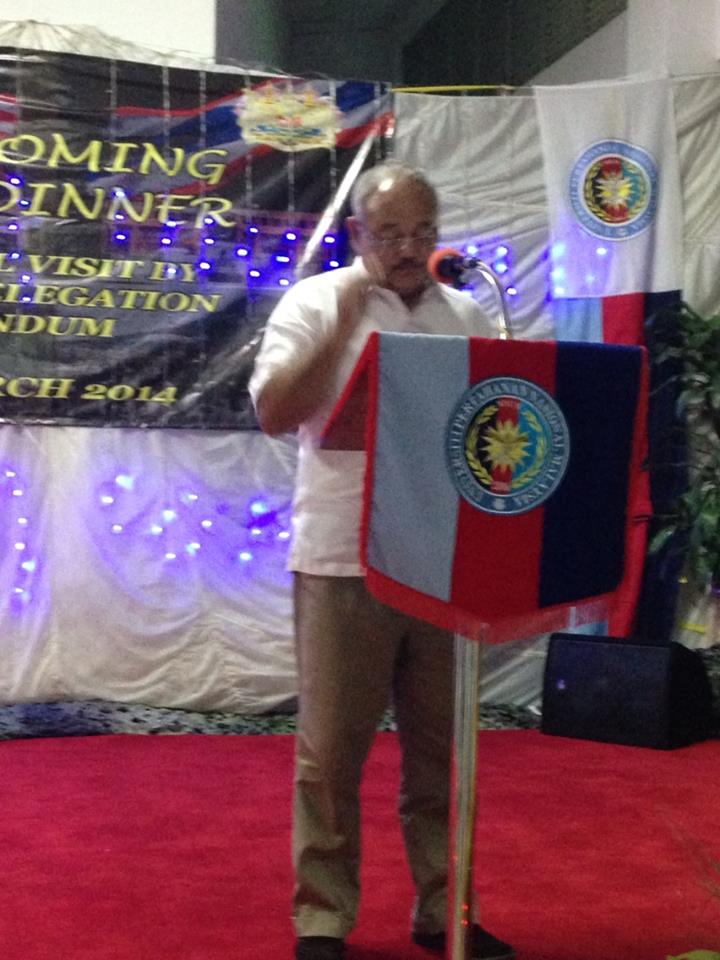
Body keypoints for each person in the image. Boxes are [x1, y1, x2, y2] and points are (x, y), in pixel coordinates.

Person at [249, 162, 514, 960]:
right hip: (343, 561)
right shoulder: (313, 301)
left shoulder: (466, 313)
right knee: (331, 755)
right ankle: (323, 919)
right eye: (390, 233)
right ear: (357, 233)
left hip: (439, 558)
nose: (408, 248)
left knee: (440, 754)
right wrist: (343, 325)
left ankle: (445, 911)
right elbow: (274, 412)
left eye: (422, 232)